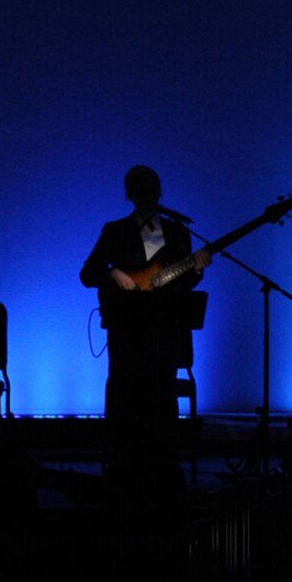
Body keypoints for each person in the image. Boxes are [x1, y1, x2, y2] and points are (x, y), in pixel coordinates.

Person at [80, 166, 211, 462]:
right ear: (130, 194)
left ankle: (164, 460)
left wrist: (197, 270)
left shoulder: (178, 232)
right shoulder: (115, 231)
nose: (148, 196)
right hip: (127, 327)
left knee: (163, 390)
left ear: (160, 193)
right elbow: (87, 273)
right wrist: (112, 273)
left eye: (152, 190)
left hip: (165, 327)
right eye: (141, 190)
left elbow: (183, 283)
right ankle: (121, 459)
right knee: (125, 389)